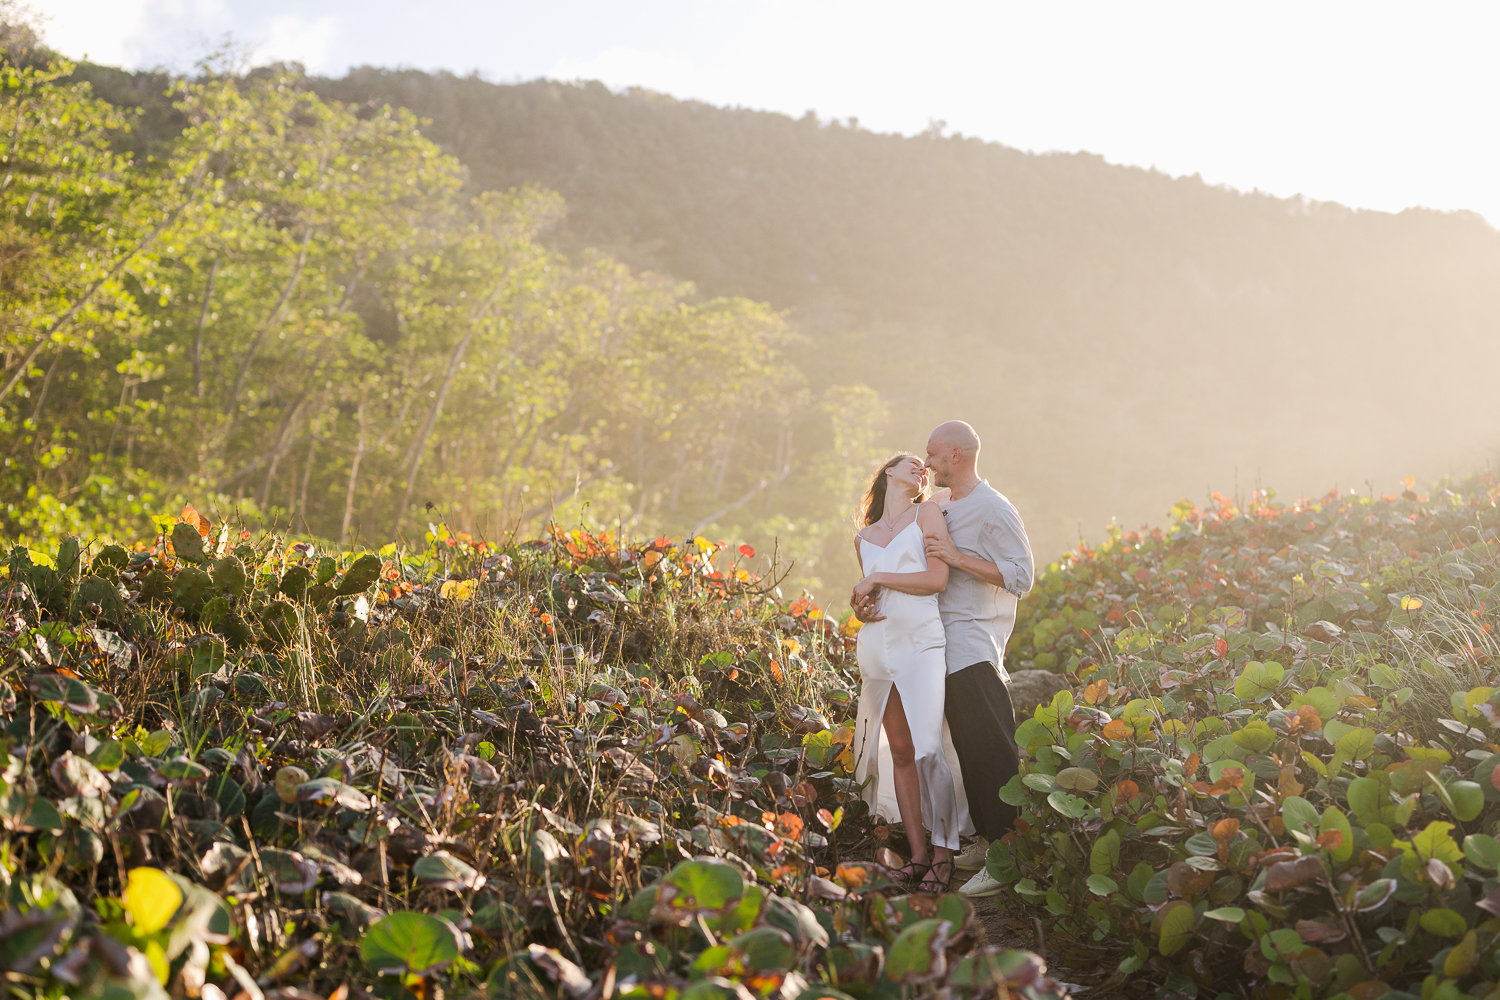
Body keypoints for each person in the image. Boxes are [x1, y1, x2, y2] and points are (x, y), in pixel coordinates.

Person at [853, 421, 1034, 898]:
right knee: (960, 754)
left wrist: (955, 557)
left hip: (972, 644)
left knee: (989, 752)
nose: (927, 464)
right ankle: (983, 842)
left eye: (932, 456)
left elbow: (1022, 576)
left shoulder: (993, 507)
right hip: (932, 647)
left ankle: (1008, 858)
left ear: (955, 454)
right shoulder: (940, 506)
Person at [848, 453, 969, 893]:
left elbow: (937, 579)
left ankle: (944, 854)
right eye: (913, 462)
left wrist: (877, 576)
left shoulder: (928, 512)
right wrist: (861, 609)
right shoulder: (864, 537)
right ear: (888, 473)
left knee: (928, 750)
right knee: (898, 752)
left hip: (921, 642)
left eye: (925, 465)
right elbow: (872, 598)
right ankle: (918, 857)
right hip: (877, 646)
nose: (922, 469)